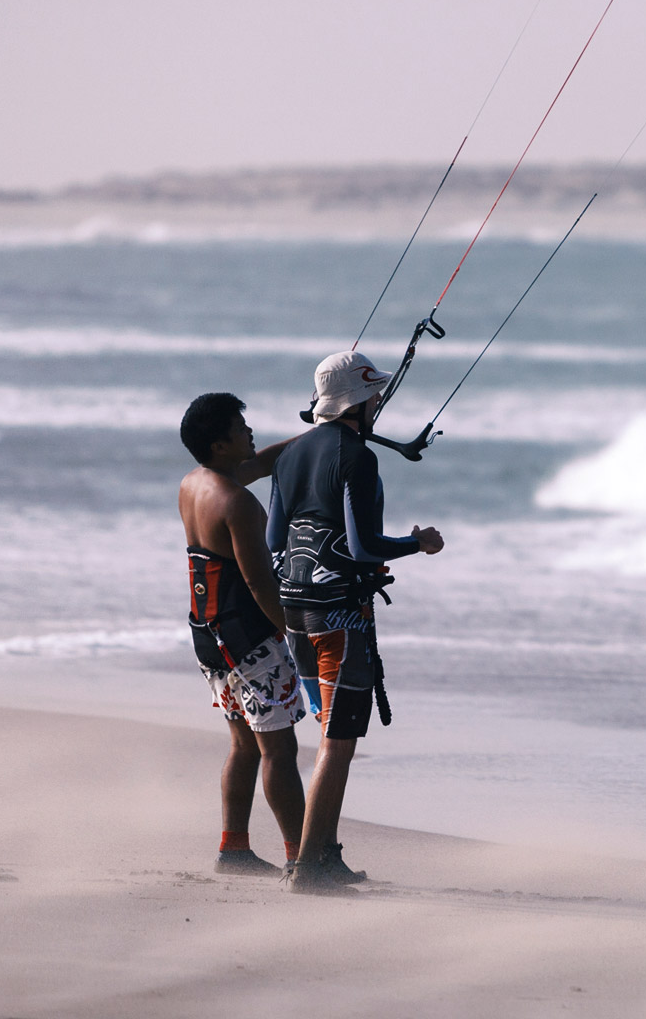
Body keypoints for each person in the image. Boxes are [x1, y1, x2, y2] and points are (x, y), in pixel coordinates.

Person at [269, 350, 443, 893]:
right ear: (360, 399)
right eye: (376, 395)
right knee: (338, 742)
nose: (380, 404)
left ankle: (324, 853)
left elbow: (275, 541)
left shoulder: (290, 455)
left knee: (327, 736)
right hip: (339, 620)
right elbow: (364, 546)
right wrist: (418, 543)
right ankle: (309, 868)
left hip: (295, 615)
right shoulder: (358, 459)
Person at [177, 392, 305, 877]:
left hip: (207, 634)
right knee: (280, 749)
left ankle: (234, 849)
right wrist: (292, 632)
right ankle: (302, 857)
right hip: (246, 639)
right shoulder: (239, 504)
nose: (250, 432)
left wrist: (319, 434)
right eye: (240, 427)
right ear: (219, 444)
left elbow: (265, 461)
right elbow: (258, 582)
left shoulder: (196, 483)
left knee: (244, 744)